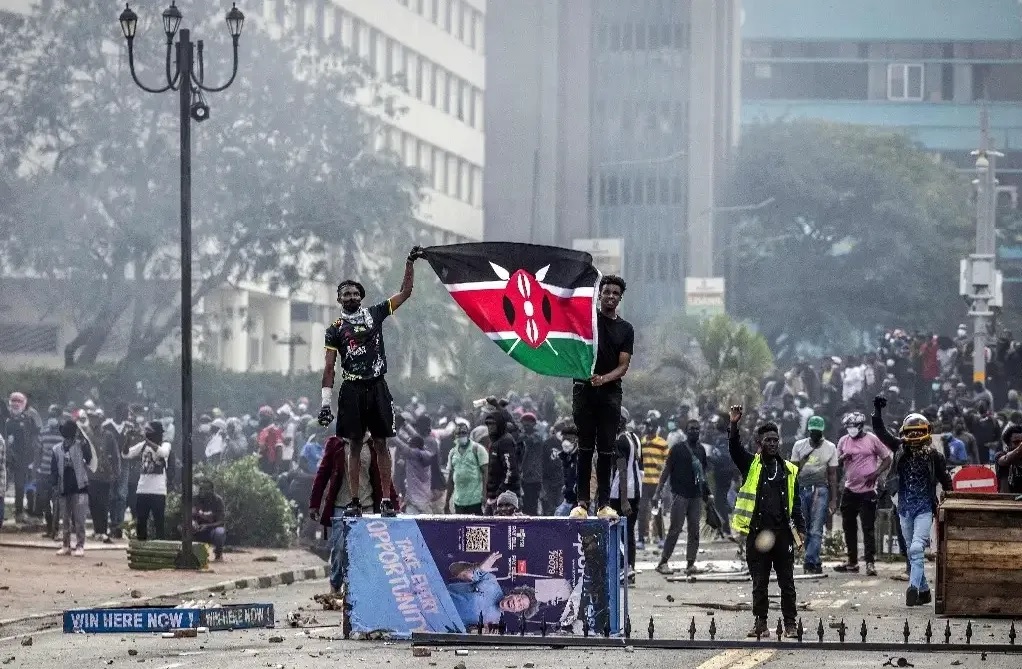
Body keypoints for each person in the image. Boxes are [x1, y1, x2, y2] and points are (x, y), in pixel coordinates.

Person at [318, 245, 424, 517]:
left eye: (355, 293)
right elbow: (329, 367)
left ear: (361, 297)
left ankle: (386, 500)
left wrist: (409, 263)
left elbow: (406, 293)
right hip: (351, 388)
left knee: (380, 443)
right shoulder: (334, 330)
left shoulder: (376, 313)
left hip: (377, 385)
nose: (351, 296)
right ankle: (354, 500)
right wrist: (325, 404)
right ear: (339, 299)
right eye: (346, 294)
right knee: (353, 444)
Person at [728, 405, 806, 639]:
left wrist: (801, 530)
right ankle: (760, 623)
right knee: (759, 582)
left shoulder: (789, 470)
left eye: (775, 440)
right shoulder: (750, 465)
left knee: (787, 582)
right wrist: (733, 424)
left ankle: (790, 624)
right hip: (758, 534)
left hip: (783, 534)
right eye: (768, 440)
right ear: (759, 443)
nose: (772, 444)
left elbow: (797, 503)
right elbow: (734, 449)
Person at [871, 396, 953, 606]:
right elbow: (881, 433)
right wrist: (877, 412)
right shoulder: (899, 449)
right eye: (910, 432)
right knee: (911, 550)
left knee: (917, 548)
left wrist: (951, 501)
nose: (915, 435)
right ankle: (925, 591)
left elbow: (946, 480)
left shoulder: (935, 456)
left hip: (925, 507)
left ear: (927, 433)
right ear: (904, 435)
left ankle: (913, 588)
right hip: (903, 507)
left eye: (919, 432)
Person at [569, 275, 634, 519]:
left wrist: (603, 379)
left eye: (615, 293)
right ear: (599, 294)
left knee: (606, 448)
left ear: (620, 298)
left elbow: (623, 366)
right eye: (606, 292)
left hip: (609, 393)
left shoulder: (626, 329)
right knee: (585, 447)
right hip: (583, 390)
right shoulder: (588, 320)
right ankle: (582, 503)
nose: (610, 296)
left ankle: (603, 504)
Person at [834, 412, 892, 577]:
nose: (850, 430)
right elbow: (836, 462)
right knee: (848, 526)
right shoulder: (843, 441)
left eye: (853, 427)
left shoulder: (872, 439)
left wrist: (876, 473)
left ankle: (870, 562)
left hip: (868, 490)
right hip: (850, 489)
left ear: (860, 426)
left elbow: (887, 459)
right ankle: (852, 561)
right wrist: (843, 457)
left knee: (868, 528)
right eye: (848, 427)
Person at [653, 418, 708, 576]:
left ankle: (690, 563)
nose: (694, 432)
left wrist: (707, 494)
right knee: (675, 529)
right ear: (686, 431)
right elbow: (666, 470)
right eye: (691, 429)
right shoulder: (677, 449)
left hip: (695, 496)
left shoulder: (701, 450)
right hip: (680, 495)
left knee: (694, 530)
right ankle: (663, 562)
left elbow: (702, 476)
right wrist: (658, 491)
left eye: (697, 429)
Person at [790, 415, 838, 574]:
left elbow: (832, 475)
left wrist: (833, 499)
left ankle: (810, 561)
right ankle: (815, 560)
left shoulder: (831, 447)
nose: (815, 434)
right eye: (813, 432)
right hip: (802, 490)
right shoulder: (799, 446)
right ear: (809, 431)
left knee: (816, 528)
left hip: (820, 489)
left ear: (822, 431)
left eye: (818, 432)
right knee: (805, 527)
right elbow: (793, 471)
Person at [447, 552, 539, 628]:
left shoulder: (494, 623)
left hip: (442, 621)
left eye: (520, 606)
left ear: (516, 612)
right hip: (437, 597)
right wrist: (479, 569)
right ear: (514, 593)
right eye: (519, 599)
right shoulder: (491, 581)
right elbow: (456, 571)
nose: (516, 603)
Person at [122, 421, 171, 541]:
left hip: (158, 491)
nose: (147, 435)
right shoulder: (143, 445)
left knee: (158, 522)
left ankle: (160, 547)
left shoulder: (165, 444)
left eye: (150, 432)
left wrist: (146, 440)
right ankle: (141, 546)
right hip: (142, 489)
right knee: (141, 521)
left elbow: (163, 453)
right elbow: (126, 454)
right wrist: (128, 439)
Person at [51, 419, 92, 557]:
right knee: (65, 519)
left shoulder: (81, 446)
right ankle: (66, 545)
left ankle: (80, 545)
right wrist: (55, 486)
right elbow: (54, 470)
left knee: (80, 519)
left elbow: (89, 458)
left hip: (80, 487)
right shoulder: (56, 449)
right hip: (64, 488)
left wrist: (84, 442)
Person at [610, 408, 641, 579]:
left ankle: (624, 567)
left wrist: (623, 500)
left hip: (621, 493)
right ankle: (630, 568)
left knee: (618, 531)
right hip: (636, 490)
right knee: (629, 531)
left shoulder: (619, 441)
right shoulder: (634, 438)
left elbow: (621, 470)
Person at [638, 410, 668, 550]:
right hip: (644, 483)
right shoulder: (642, 442)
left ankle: (661, 538)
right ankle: (640, 540)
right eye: (646, 426)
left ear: (655, 428)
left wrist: (662, 466)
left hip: (657, 484)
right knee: (642, 511)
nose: (647, 429)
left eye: (650, 426)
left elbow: (668, 462)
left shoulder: (662, 443)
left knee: (657, 512)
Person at [483, 403, 520, 514]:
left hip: (503, 497)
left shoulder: (505, 441)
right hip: (493, 495)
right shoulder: (496, 441)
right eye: (488, 424)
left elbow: (511, 470)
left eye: (493, 424)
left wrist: (500, 492)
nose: (490, 427)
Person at [445, 421, 488, 515]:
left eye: (463, 433)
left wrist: (484, 495)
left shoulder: (477, 449)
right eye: (458, 433)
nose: (461, 435)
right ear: (455, 436)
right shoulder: (452, 453)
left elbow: (486, 473)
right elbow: (451, 479)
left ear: (468, 434)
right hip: (459, 501)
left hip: (476, 500)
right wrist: (447, 501)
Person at [516, 413, 545, 515]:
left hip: (535, 476)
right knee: (524, 503)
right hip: (523, 476)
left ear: (534, 424)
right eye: (525, 422)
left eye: (529, 422)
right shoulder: (519, 438)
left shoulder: (538, 437)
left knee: (533, 503)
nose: (527, 424)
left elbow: (533, 442)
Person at [193, 479, 227, 561]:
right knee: (183, 527)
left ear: (211, 490)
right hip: (197, 530)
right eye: (200, 488)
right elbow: (189, 515)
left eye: (204, 489)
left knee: (220, 532)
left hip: (212, 531)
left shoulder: (218, 500)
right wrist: (192, 522)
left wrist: (207, 526)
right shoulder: (194, 499)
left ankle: (218, 554)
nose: (201, 491)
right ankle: (190, 554)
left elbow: (221, 521)